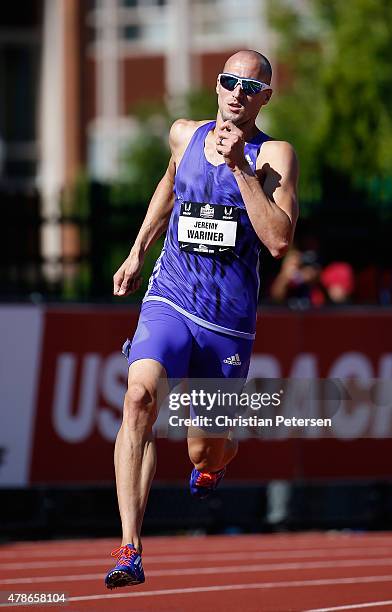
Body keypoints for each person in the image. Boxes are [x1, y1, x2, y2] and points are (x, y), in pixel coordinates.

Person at [105, 49, 299, 589]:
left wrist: (240, 168)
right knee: (139, 396)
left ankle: (217, 458)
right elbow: (169, 184)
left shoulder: (275, 155)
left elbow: (279, 241)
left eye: (249, 85)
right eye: (228, 81)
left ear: (265, 96)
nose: (236, 92)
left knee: (204, 448)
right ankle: (129, 548)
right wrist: (137, 250)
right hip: (170, 297)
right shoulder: (183, 134)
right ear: (216, 86)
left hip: (227, 322)